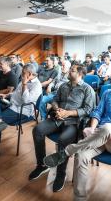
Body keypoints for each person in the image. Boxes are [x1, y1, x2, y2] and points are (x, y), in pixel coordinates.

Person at [43, 68, 111, 200]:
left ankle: (68, 150)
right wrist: (92, 128)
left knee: (108, 127)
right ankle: (80, 197)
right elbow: (97, 112)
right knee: (81, 155)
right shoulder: (108, 93)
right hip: (98, 136)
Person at [28, 64, 95, 193]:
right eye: (70, 70)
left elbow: (88, 110)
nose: (69, 72)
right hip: (57, 118)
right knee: (37, 130)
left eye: (72, 70)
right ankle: (41, 165)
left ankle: (61, 173)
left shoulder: (87, 89)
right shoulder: (64, 85)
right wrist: (56, 108)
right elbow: (54, 100)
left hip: (73, 122)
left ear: (80, 74)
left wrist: (68, 113)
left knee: (62, 140)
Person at [0, 64, 42, 163]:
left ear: (30, 74)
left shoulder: (37, 85)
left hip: (22, 110)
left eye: (23, 73)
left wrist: (24, 84)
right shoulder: (23, 80)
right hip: (12, 104)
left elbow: (26, 100)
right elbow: (15, 93)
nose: (21, 75)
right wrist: (6, 95)